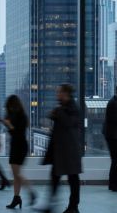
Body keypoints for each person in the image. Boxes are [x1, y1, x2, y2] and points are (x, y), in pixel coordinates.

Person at [36, 83, 82, 213]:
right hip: (61, 151)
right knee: (57, 177)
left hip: (69, 151)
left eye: (59, 92)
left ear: (65, 94)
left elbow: (68, 123)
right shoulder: (64, 107)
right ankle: (52, 204)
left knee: (72, 179)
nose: (57, 94)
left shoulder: (72, 108)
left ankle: (73, 206)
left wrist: (58, 112)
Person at [2, 95, 36, 209]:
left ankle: (31, 192)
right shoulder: (12, 116)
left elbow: (18, 133)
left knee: (16, 174)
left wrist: (9, 124)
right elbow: (13, 133)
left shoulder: (21, 116)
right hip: (15, 146)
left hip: (20, 146)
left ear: (14, 105)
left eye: (10, 106)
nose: (9, 109)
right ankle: (16, 198)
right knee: (15, 175)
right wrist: (7, 123)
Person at [104, 85, 117, 192]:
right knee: (115, 160)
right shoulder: (114, 103)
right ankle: (113, 185)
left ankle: (113, 184)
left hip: (112, 135)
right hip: (113, 136)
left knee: (115, 160)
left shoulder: (113, 101)